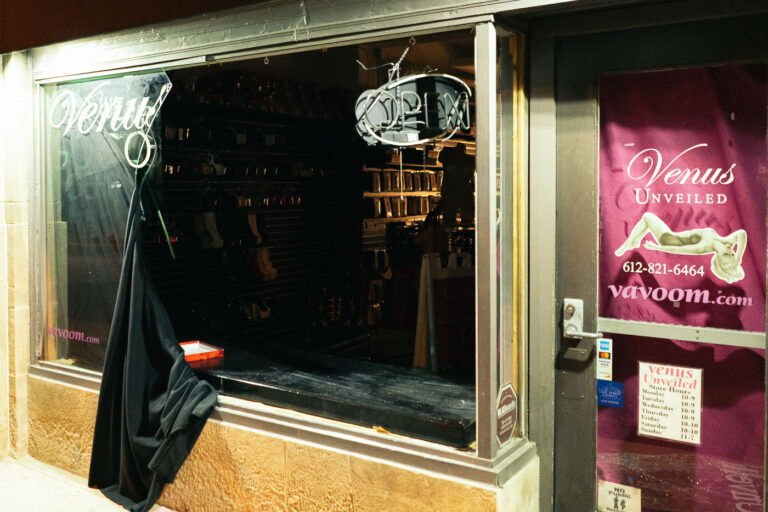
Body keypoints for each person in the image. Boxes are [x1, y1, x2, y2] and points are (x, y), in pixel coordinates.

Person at [615, 212, 747, 284]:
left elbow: (679, 250)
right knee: (647, 220)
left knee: (647, 217)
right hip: (672, 236)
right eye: (732, 255)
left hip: (668, 241)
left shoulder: (705, 246)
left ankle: (629, 243)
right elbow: (741, 234)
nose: (730, 252)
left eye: (726, 255)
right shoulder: (725, 242)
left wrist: (656, 247)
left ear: (718, 258)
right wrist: (738, 259)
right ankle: (633, 241)